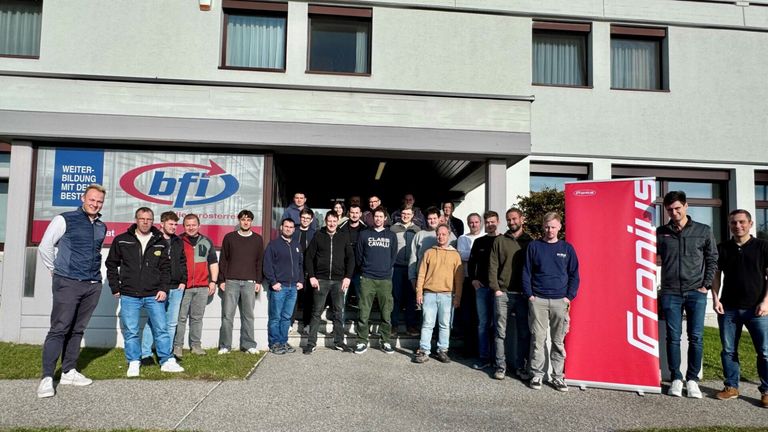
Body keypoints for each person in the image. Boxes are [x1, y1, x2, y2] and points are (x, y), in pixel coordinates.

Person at [36, 184, 107, 398]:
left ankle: (68, 371)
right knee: (59, 329)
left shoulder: (101, 226)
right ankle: (47, 378)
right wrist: (54, 269)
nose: (95, 204)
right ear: (83, 198)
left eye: (99, 201)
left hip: (92, 284)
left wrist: (97, 280)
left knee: (77, 330)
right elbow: (45, 246)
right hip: (68, 282)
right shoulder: (64, 219)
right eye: (92, 199)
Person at [106, 207, 184, 377]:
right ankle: (134, 361)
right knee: (131, 331)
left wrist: (163, 288)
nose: (145, 222)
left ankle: (166, 360)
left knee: (161, 329)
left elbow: (165, 269)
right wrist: (115, 286)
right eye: (142, 219)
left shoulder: (160, 241)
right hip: (129, 295)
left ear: (153, 221)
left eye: (149, 219)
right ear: (136, 219)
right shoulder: (122, 240)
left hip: (153, 294)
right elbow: (111, 264)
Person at [657, 190, 718, 398]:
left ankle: (692, 380)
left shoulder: (703, 230)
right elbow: (647, 255)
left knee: (696, 337)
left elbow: (712, 259)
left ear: (686, 206)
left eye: (677, 208)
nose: (674, 213)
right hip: (670, 292)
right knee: (673, 337)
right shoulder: (661, 232)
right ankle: (676, 378)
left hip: (696, 292)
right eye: (670, 210)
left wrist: (706, 285)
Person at [711, 209, 768, 407]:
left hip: (757, 309)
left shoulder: (763, 246)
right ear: (729, 225)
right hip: (728, 308)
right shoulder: (723, 248)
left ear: (750, 224)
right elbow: (716, 275)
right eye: (733, 223)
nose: (738, 226)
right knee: (728, 350)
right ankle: (731, 387)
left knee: (764, 351)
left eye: (742, 222)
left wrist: (766, 302)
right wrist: (716, 299)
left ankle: (766, 391)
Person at [522, 212, 579, 392]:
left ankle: (558, 377)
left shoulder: (567, 248)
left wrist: (568, 297)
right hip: (538, 300)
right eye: (547, 227)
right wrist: (530, 296)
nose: (550, 230)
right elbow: (526, 272)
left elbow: (574, 275)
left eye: (553, 227)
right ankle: (537, 375)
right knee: (537, 340)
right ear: (543, 227)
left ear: (559, 227)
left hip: (560, 301)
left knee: (558, 341)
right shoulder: (534, 246)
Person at [488, 208, 533, 380]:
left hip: (523, 295)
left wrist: (530, 292)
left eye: (514, 219)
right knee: (500, 333)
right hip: (503, 294)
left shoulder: (530, 242)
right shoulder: (500, 241)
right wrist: (496, 289)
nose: (511, 222)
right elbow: (493, 266)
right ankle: (501, 367)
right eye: (509, 219)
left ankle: (521, 367)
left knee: (524, 333)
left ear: (522, 219)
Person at [303, 211, 355, 354]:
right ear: (325, 221)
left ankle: (339, 342)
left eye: (334, 221)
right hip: (321, 280)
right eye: (329, 221)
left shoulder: (343, 237)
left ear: (337, 222)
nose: (332, 224)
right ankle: (311, 343)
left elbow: (351, 258)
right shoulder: (318, 236)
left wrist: (348, 277)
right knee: (316, 312)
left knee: (338, 312)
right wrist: (312, 276)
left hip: (339, 281)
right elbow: (309, 257)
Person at [140, 211, 187, 365]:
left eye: (175, 224)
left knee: (172, 323)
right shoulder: (154, 240)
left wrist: (183, 280)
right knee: (153, 321)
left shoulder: (178, 241)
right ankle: (146, 354)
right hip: (159, 288)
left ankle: (168, 353)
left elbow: (182, 262)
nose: (173, 227)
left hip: (176, 287)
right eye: (170, 224)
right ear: (162, 224)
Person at [414, 224, 464, 364]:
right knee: (427, 324)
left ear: (448, 236)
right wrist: (419, 292)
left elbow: (459, 279)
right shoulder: (429, 252)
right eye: (438, 234)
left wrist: (457, 297)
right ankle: (424, 350)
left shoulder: (455, 255)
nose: (440, 237)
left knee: (444, 324)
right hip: (429, 294)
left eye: (443, 234)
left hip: (447, 295)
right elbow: (421, 274)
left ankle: (443, 350)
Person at [217, 210, 264, 355]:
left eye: (248, 220)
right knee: (227, 315)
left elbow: (259, 262)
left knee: (248, 316)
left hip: (250, 282)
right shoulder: (229, 238)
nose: (246, 222)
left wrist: (258, 281)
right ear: (239, 221)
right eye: (243, 219)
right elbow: (223, 260)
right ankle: (225, 346)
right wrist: (221, 280)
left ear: (251, 222)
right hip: (231, 281)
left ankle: (248, 345)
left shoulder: (257, 239)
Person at [173, 214, 219, 357]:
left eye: (193, 225)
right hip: (183, 287)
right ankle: (177, 346)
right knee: (180, 318)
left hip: (202, 286)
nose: (191, 228)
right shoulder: (178, 241)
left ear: (199, 226)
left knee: (197, 318)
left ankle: (196, 345)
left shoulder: (206, 241)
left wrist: (213, 281)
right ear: (183, 226)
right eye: (188, 225)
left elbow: (213, 262)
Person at [354, 206, 398, 354]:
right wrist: (365, 269)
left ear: (385, 218)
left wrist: (385, 269)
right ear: (372, 218)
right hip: (367, 278)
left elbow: (393, 256)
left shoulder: (391, 236)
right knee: (363, 312)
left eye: (381, 216)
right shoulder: (364, 234)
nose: (378, 219)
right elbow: (359, 256)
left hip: (385, 280)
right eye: (376, 216)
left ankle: (385, 341)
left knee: (386, 313)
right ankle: (362, 341)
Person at [263, 218, 304, 355]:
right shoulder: (273, 245)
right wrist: (273, 282)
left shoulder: (297, 245)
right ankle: (274, 343)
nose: (288, 229)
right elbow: (267, 265)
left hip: (293, 288)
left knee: (286, 317)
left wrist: (301, 280)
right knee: (275, 317)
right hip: (279, 288)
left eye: (291, 227)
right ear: (281, 227)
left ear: (294, 229)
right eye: (286, 226)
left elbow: (300, 265)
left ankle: (283, 341)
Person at [467, 211, 500, 370]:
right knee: (483, 324)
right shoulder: (479, 242)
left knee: (498, 324)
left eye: (492, 222)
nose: (490, 224)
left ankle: (498, 359)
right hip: (482, 288)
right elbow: (471, 262)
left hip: (498, 290)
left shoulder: (503, 240)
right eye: (487, 222)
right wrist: (473, 279)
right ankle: (484, 357)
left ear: (498, 222)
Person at [390, 205, 421, 336]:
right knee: (396, 297)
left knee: (411, 298)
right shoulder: (393, 228)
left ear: (412, 215)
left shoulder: (417, 230)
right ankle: (393, 325)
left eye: (408, 214)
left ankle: (411, 326)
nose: (405, 216)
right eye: (403, 213)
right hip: (397, 267)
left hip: (411, 268)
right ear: (400, 214)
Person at [409, 207, 457, 288]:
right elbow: (413, 258)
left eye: (435, 218)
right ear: (426, 220)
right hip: (423, 279)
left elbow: (456, 257)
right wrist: (412, 278)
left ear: (439, 218)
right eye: (429, 219)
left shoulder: (450, 235)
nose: (432, 221)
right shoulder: (419, 235)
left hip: (444, 280)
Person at [456, 212, 483, 357]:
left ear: (480, 223)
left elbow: (469, 256)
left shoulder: (484, 237)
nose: (474, 225)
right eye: (471, 222)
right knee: (467, 316)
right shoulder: (462, 238)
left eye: (476, 222)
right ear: (468, 224)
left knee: (480, 317)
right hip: (467, 280)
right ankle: (468, 348)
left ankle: (480, 349)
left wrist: (470, 255)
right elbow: (461, 255)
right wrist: (476, 255)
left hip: (482, 281)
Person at [340, 204, 366, 308]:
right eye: (352, 212)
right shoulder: (341, 228)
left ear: (360, 214)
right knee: (341, 298)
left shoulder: (365, 230)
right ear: (348, 213)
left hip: (360, 269)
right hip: (344, 268)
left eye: (356, 213)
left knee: (361, 298)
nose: (354, 215)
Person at [296, 208, 316, 333]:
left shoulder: (314, 233)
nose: (305, 220)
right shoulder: (294, 231)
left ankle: (307, 323)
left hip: (309, 269)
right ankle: (290, 323)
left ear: (311, 220)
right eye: (303, 218)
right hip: (295, 268)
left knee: (308, 297)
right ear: (300, 218)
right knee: (294, 297)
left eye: (308, 218)